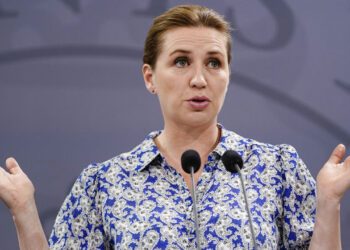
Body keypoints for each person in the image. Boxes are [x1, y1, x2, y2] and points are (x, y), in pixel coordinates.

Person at [1, 4, 350, 249]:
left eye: (214, 63)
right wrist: (24, 212)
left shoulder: (277, 169)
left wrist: (330, 202)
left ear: (228, 75)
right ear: (150, 77)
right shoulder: (103, 183)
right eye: (181, 61)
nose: (199, 79)